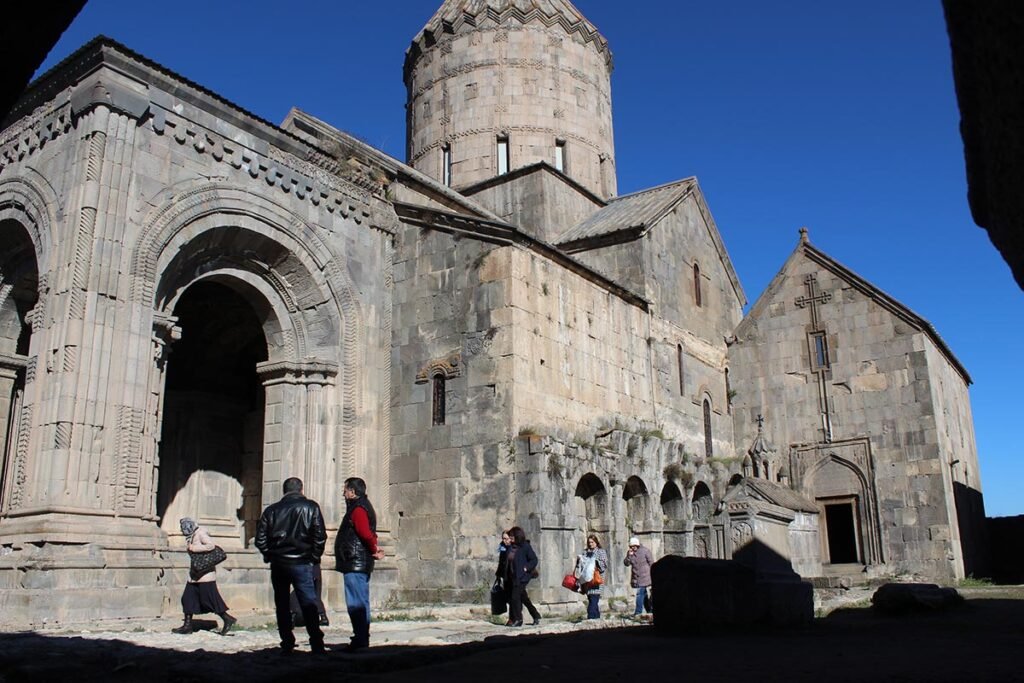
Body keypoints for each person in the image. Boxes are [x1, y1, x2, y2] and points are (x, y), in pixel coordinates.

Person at [255, 477, 328, 654]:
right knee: (309, 603)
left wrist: (270, 555)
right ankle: (316, 641)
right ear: (301, 490)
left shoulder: (271, 511)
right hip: (302, 562)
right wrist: (314, 556)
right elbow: (320, 536)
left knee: (282, 603)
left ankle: (287, 640)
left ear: (284, 491)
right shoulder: (311, 507)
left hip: (279, 563)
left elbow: (260, 539)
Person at [335, 476, 385, 652]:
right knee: (360, 600)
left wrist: (373, 549)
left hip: (355, 561)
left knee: (356, 602)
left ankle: (361, 638)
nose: (343, 493)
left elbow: (364, 532)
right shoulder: (361, 506)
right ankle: (362, 636)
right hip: (356, 560)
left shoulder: (358, 509)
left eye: (346, 489)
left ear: (353, 492)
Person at [172, 517, 236, 636]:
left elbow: (210, 546)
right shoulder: (191, 535)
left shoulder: (201, 533)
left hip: (205, 574)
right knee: (187, 598)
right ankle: (187, 626)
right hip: (195, 574)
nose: (183, 530)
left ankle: (227, 619)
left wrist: (194, 548)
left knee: (210, 599)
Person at [503, 527, 541, 627]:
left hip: (522, 577)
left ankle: (518, 619)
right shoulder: (511, 547)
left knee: (515, 597)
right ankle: (536, 615)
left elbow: (534, 559)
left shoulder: (525, 546)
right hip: (512, 577)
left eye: (512, 537)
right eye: (509, 537)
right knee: (523, 598)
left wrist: (526, 568)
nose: (510, 539)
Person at [577, 533, 608, 619]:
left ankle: (590, 618)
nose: (590, 544)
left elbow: (604, 566)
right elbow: (581, 566)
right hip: (587, 580)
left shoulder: (601, 552)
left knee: (594, 600)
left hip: (596, 580)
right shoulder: (585, 552)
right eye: (589, 542)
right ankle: (597, 619)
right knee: (591, 599)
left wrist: (595, 561)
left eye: (592, 542)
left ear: (596, 542)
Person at [623, 536, 654, 617]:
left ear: (638, 545)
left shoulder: (645, 551)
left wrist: (653, 575)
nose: (633, 548)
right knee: (644, 595)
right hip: (636, 577)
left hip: (645, 576)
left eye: (634, 546)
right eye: (631, 546)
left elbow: (651, 563)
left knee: (640, 593)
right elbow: (626, 563)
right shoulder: (630, 552)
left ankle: (638, 612)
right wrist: (629, 556)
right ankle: (650, 610)